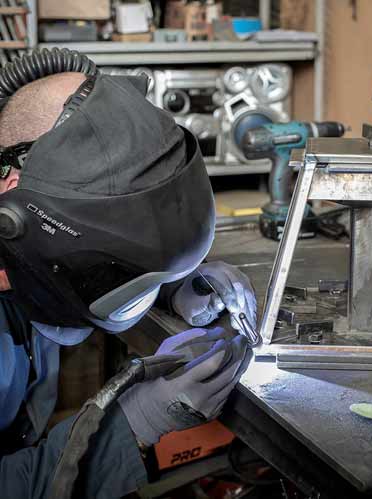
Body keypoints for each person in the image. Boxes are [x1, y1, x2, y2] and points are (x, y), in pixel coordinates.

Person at [0, 52, 256, 499]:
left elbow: (87, 252)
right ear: (13, 197)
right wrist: (129, 427)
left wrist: (171, 280)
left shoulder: (33, 241)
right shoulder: (37, 233)